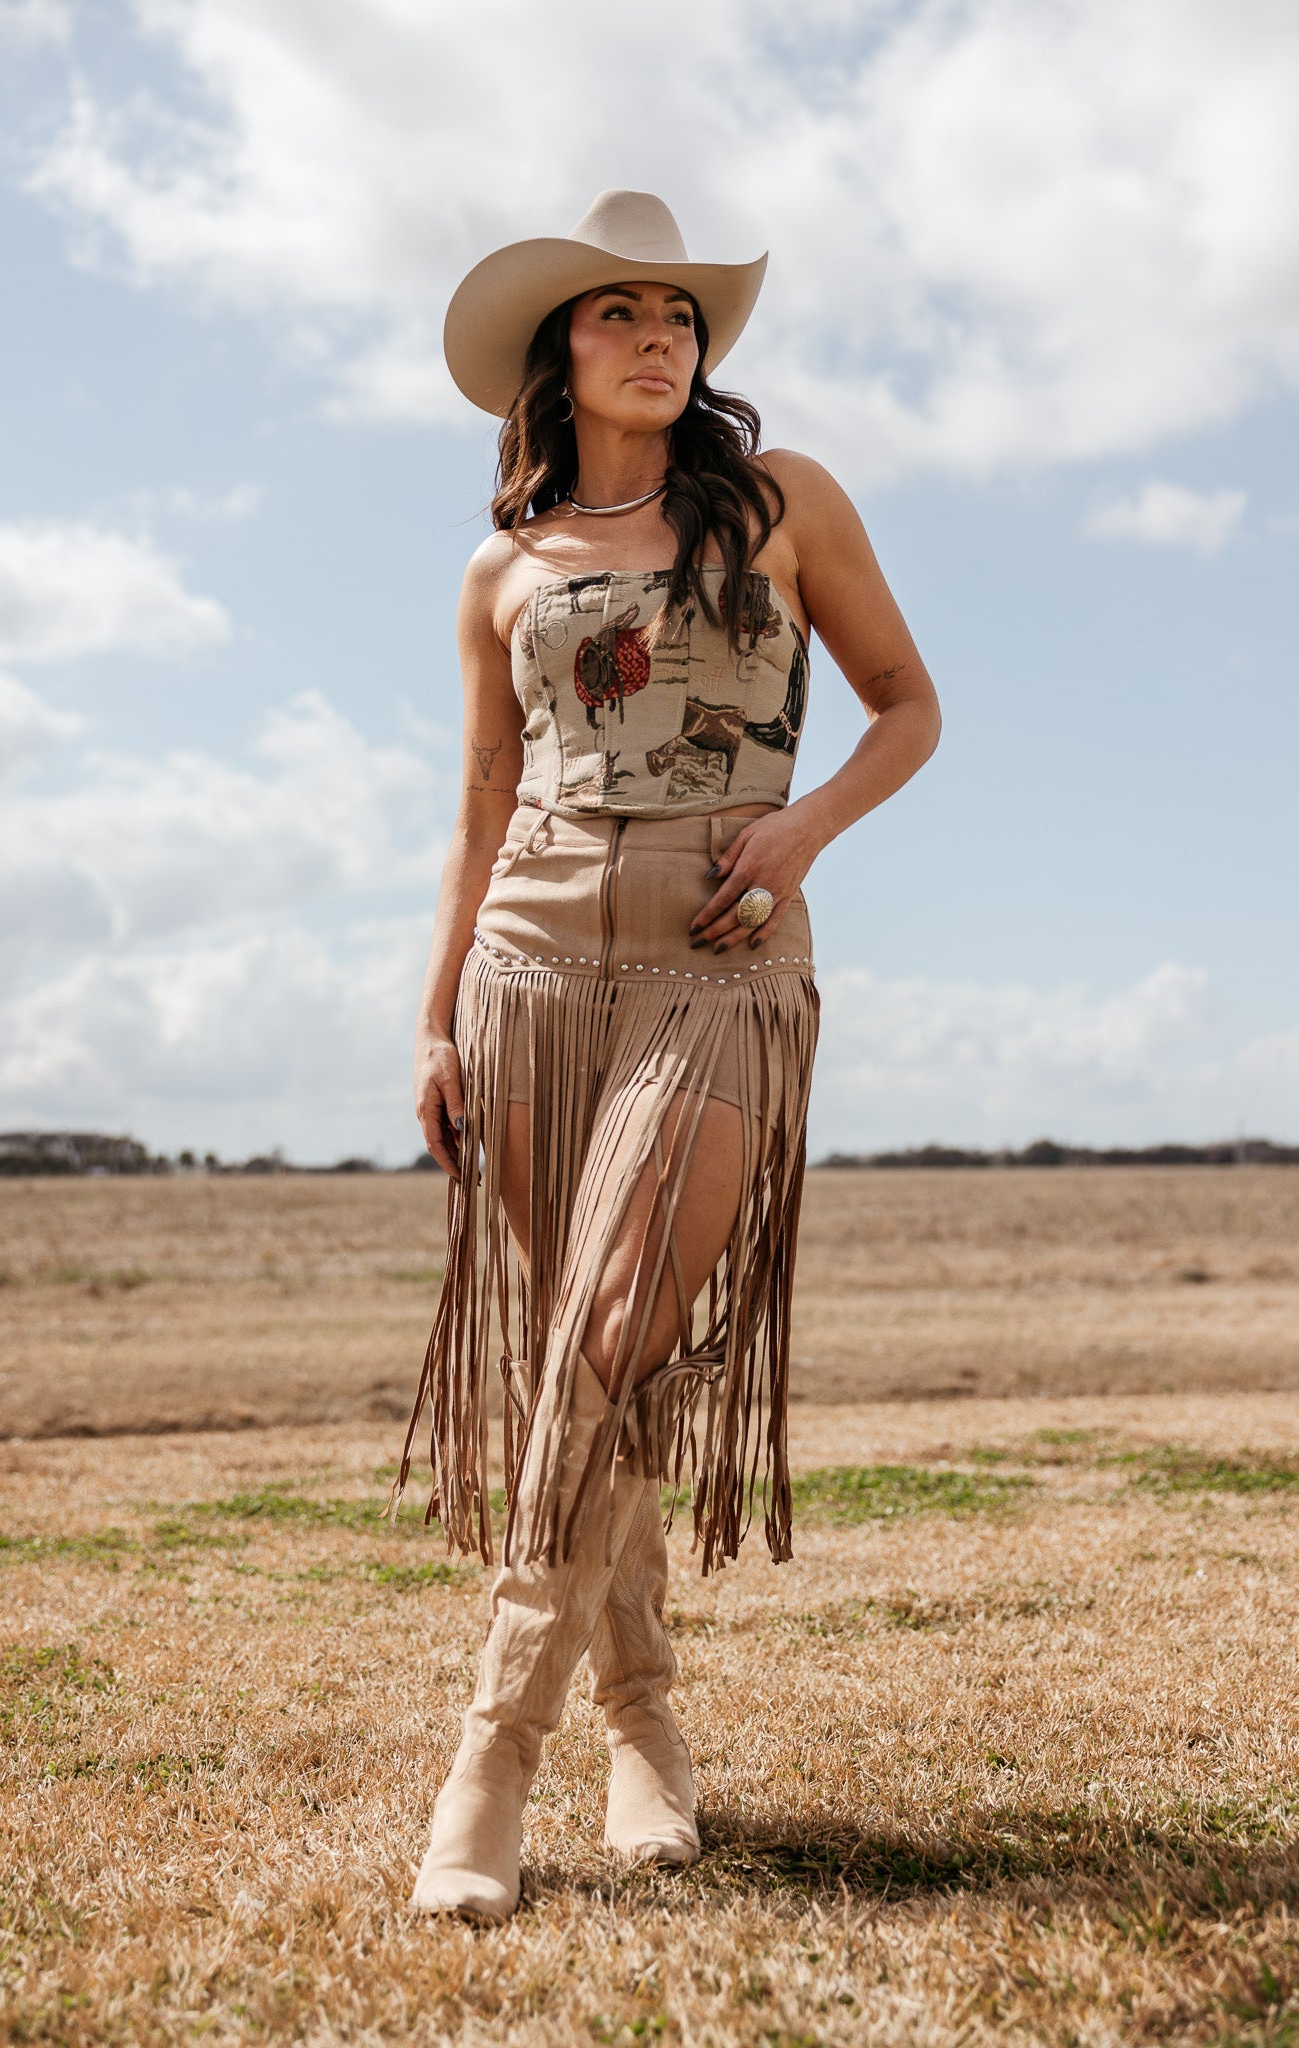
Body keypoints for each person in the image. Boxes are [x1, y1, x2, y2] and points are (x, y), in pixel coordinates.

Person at [396, 191, 940, 1921]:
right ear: (558, 352)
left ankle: (491, 1755)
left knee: (614, 1322)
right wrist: (431, 1010)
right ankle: (646, 1729)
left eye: (679, 315)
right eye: (617, 311)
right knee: (585, 1359)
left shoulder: (785, 506)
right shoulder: (505, 568)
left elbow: (904, 704)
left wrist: (803, 835)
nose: (656, 335)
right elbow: (483, 797)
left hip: (719, 965)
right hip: (533, 969)